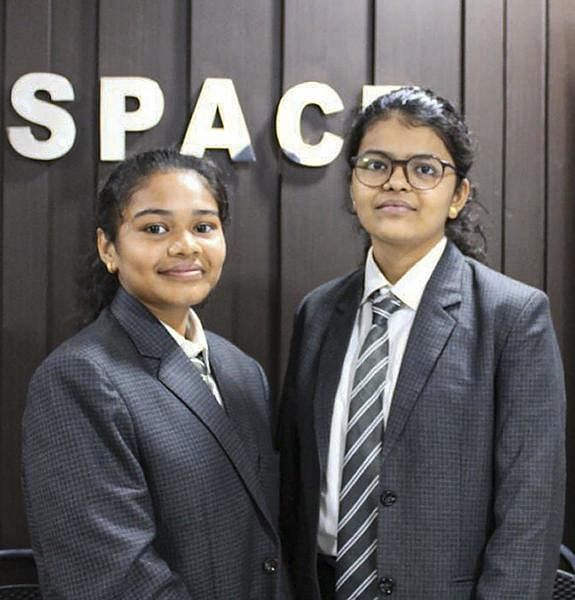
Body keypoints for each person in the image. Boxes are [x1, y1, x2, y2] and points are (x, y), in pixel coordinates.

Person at [277, 87, 566, 599]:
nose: (397, 183)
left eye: (424, 169)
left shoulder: (513, 317)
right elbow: (296, 483)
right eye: (376, 164)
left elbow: (531, 511)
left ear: (458, 195)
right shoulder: (318, 313)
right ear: (352, 186)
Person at [22, 149, 285, 599]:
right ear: (109, 247)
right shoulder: (80, 378)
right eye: (155, 228)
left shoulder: (243, 372)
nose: (185, 246)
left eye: (204, 227)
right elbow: (109, 580)